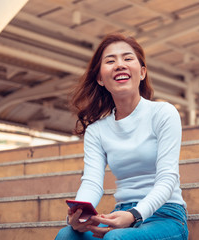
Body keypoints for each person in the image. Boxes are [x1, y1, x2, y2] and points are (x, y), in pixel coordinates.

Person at [55, 33, 188, 240]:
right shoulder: (96, 130)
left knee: (115, 239)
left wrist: (133, 215)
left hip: (165, 216)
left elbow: (168, 178)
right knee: (67, 235)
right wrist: (78, 216)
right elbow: (92, 183)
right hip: (120, 217)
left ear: (142, 72)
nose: (119, 65)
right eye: (110, 61)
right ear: (100, 78)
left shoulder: (163, 113)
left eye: (127, 58)